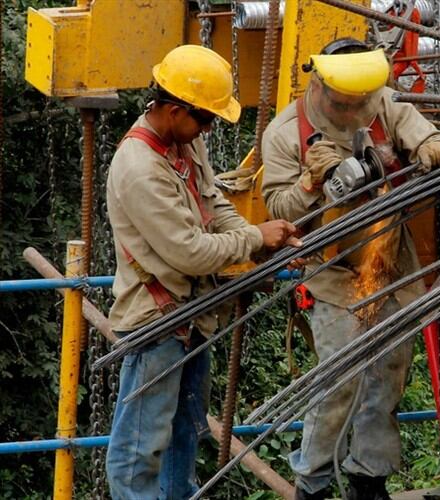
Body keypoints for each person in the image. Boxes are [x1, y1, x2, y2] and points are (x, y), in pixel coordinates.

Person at [104, 45, 301, 499]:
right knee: (138, 448)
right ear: (173, 110)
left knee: (185, 431)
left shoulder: (184, 143)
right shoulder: (139, 168)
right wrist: (256, 239)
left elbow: (214, 206)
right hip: (158, 321)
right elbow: (189, 252)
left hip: (193, 315)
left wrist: (257, 234)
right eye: (206, 120)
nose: (208, 130)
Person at [261, 38, 440, 500]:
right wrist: (312, 180)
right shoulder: (285, 133)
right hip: (335, 274)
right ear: (321, 87)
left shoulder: (383, 103)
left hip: (391, 263)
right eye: (343, 104)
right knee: (338, 383)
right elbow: (279, 210)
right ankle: (313, 484)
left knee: (388, 376)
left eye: (359, 104)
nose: (352, 113)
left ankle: (369, 479)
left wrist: (431, 148)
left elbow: (427, 135)